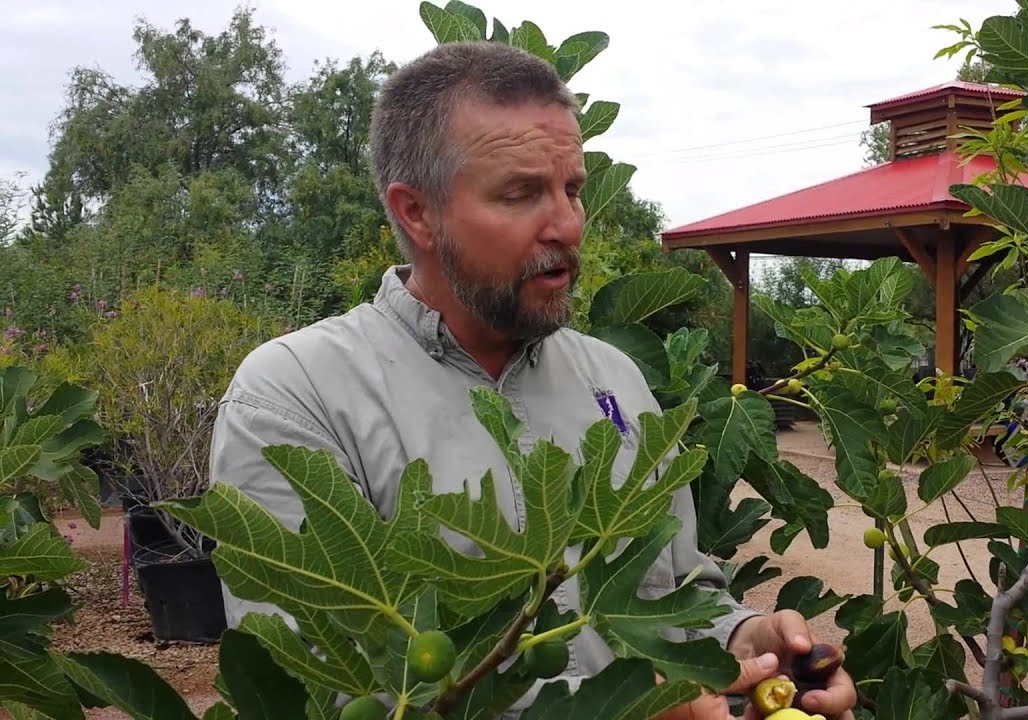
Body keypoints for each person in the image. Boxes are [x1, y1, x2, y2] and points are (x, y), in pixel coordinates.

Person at [208, 39, 856, 720]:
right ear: (417, 212)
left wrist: (742, 644)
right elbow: (312, 687)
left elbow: (677, 595)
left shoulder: (616, 381)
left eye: (572, 190)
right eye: (520, 194)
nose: (567, 225)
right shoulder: (296, 397)